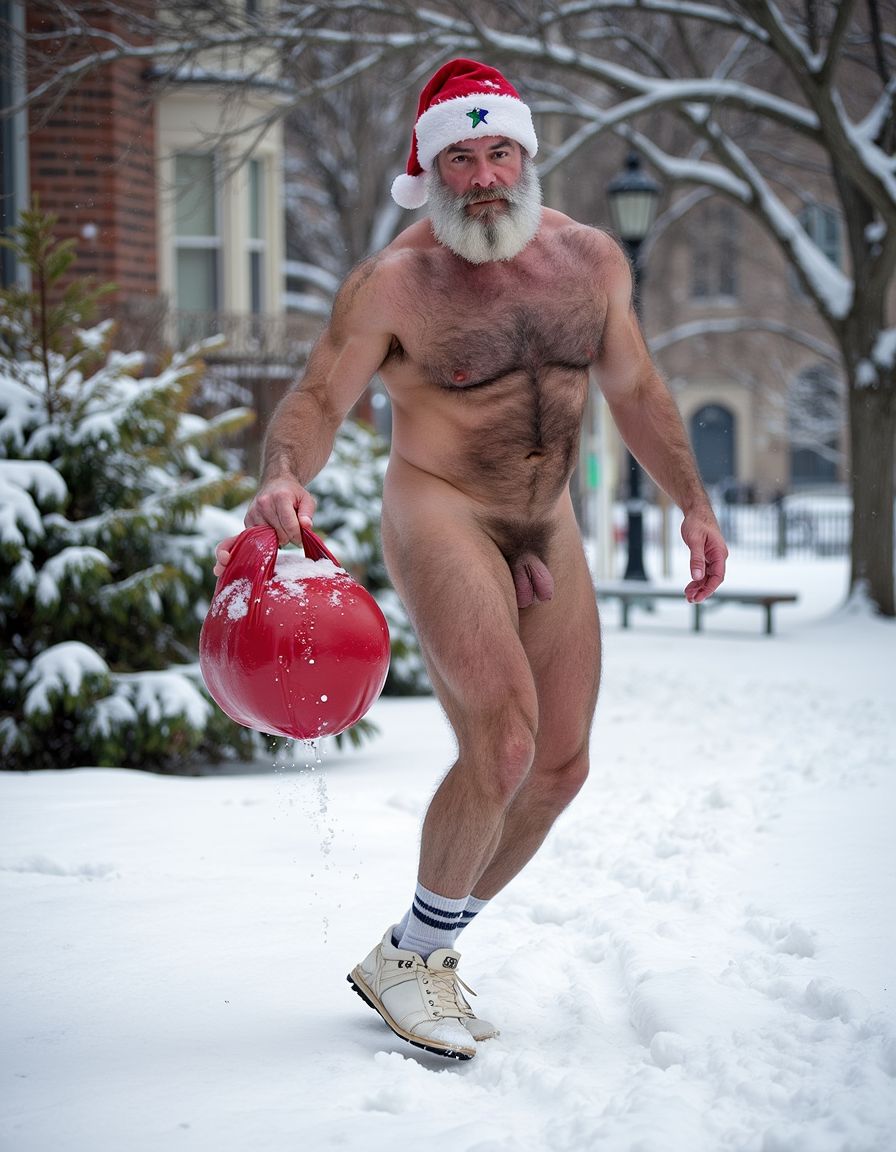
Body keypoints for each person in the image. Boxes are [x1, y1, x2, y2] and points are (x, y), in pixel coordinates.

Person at [214, 58, 728, 1061]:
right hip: (439, 509)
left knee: (558, 767)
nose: (483, 175)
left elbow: (636, 390)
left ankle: (416, 951)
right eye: (460, 157)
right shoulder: (394, 284)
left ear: (525, 157)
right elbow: (320, 396)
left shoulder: (590, 264)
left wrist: (693, 506)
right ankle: (415, 967)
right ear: (428, 167)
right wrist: (282, 473)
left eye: (498, 152)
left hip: (549, 518)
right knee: (499, 743)